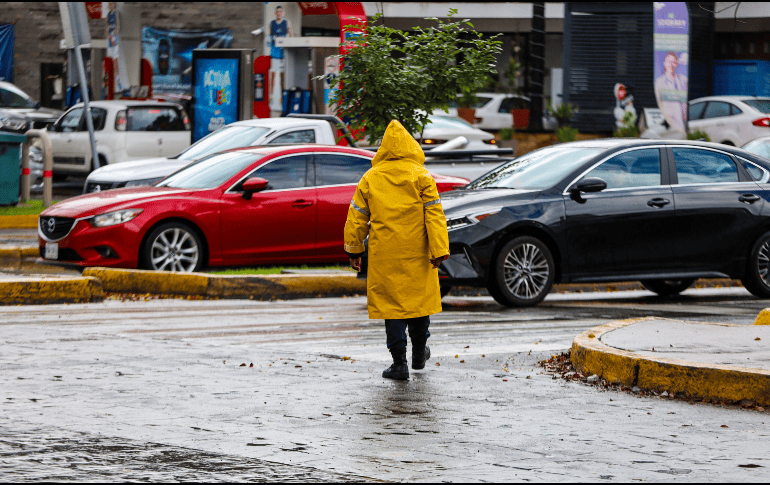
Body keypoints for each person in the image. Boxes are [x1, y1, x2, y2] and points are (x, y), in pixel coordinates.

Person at [343, 120, 450, 380]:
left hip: (385, 254)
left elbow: (357, 218)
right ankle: (419, 353)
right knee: (419, 303)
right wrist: (439, 250)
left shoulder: (371, 178)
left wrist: (354, 251)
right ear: (410, 146)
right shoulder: (421, 175)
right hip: (418, 251)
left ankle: (399, 363)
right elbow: (434, 215)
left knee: (391, 307)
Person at [654, 51, 688, 133]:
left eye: (674, 62)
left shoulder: (682, 79)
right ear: (664, 63)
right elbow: (660, 102)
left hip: (682, 121)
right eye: (669, 62)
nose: (671, 65)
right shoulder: (659, 82)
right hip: (670, 122)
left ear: (677, 64)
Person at [268, 5, 292, 94]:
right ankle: (271, 94)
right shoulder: (271, 23)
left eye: (280, 12)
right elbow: (270, 37)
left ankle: (283, 93)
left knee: (283, 74)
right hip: (274, 53)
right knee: (273, 74)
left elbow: (291, 36)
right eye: (277, 12)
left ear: (283, 13)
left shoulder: (287, 23)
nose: (279, 13)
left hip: (283, 53)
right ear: (275, 13)